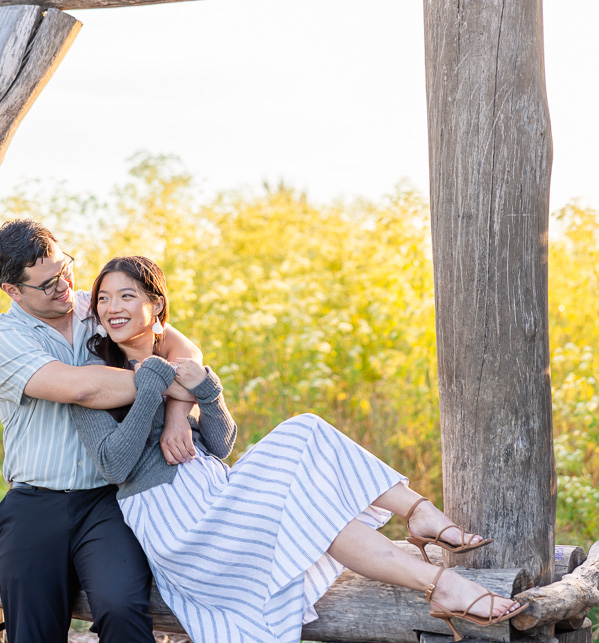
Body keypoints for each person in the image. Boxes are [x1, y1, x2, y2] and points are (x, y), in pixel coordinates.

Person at [69, 255, 529, 643]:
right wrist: (151, 383)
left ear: (156, 304)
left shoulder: (179, 365)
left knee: (319, 512)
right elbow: (114, 464)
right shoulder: (92, 376)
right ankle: (421, 516)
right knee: (304, 431)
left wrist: (206, 393)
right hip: (177, 524)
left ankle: (441, 583)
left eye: (127, 295)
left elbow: (220, 445)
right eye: (103, 299)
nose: (113, 307)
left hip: (217, 495)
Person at [0, 220, 205, 643]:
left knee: (122, 608)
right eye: (47, 284)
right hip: (34, 504)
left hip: (109, 500)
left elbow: (181, 347)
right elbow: (81, 387)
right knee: (32, 631)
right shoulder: (3, 339)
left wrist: (178, 410)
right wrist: (169, 381)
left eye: (65, 269)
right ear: (13, 290)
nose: (64, 285)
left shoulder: (101, 306)